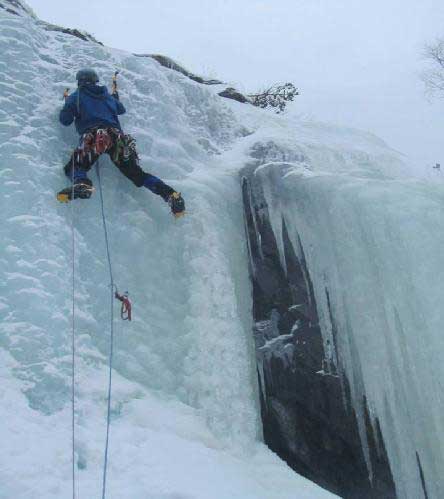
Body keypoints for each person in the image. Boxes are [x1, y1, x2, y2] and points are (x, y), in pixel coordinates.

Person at [57, 68, 185, 217]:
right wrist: (115, 98)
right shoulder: (107, 97)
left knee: (75, 165)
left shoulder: (76, 97)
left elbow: (65, 121)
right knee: (137, 174)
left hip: (94, 136)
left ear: (79, 82)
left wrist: (67, 105)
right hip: (118, 139)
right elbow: (121, 109)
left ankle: (82, 184)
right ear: (95, 80)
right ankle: (170, 195)